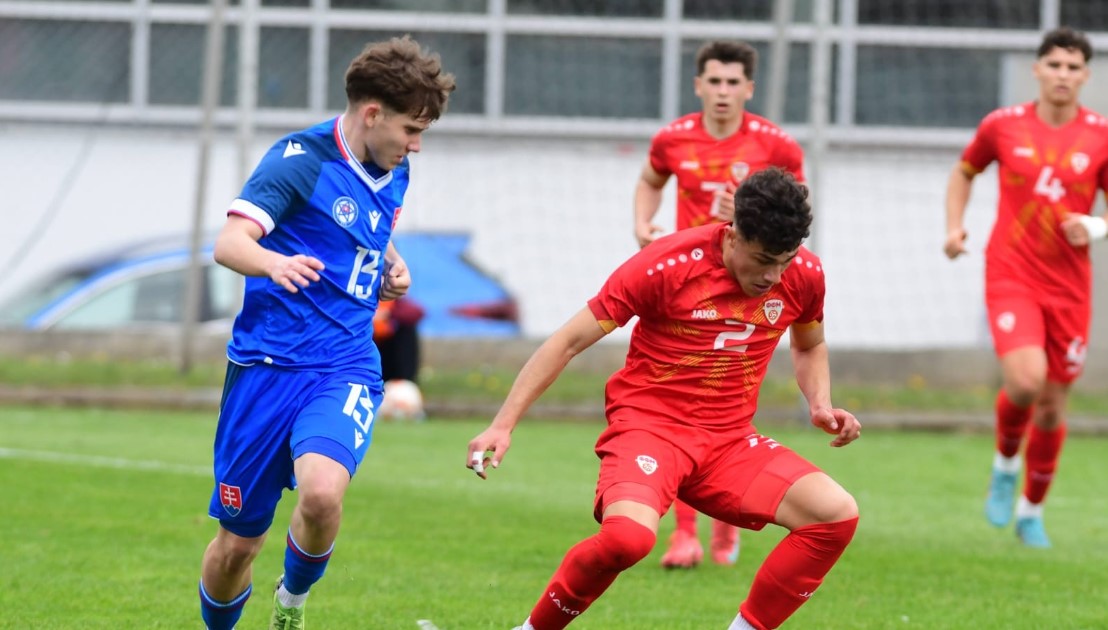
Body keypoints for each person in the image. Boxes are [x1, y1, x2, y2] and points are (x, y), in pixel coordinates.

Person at [468, 168, 861, 630]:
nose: (774, 276)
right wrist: (503, 424)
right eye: (763, 260)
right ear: (733, 235)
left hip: (730, 442)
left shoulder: (805, 275)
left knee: (834, 514)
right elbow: (568, 342)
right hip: (650, 429)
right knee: (627, 541)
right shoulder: (665, 265)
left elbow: (809, 344)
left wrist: (819, 403)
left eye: (785, 260)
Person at [196, 36, 455, 630]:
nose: (416, 144)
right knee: (237, 546)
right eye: (411, 130)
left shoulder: (395, 168)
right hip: (264, 370)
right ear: (373, 114)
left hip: (344, 366)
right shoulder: (300, 160)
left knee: (320, 494)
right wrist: (274, 264)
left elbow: (368, 227)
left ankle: (290, 606)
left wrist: (391, 262)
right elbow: (230, 244)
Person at [633, 39, 807, 568]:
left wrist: (750, 216)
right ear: (698, 85)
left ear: (749, 88)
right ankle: (684, 536)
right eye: (715, 81)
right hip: (686, 287)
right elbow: (650, 180)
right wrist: (643, 225)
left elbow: (797, 210)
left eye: (734, 82)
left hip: (744, 294)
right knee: (680, 406)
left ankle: (727, 522)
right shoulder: (673, 138)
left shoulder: (776, 145)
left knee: (724, 407)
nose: (723, 91)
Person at [944, 26, 1108, 548]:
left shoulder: (1101, 135)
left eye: (1073, 67)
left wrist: (1095, 226)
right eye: (1054, 65)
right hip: (1011, 272)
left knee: (1054, 404)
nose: (1062, 75)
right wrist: (954, 227)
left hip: (1070, 286)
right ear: (1037, 70)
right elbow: (964, 171)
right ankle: (1004, 464)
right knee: (1025, 381)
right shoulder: (1002, 125)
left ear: (1085, 76)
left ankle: (1031, 512)